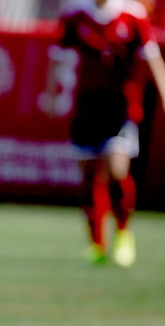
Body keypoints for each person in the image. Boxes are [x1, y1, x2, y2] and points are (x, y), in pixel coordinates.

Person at [42, 0, 165, 267]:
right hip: (86, 110)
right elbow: (57, 55)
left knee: (117, 169)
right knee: (89, 176)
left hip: (120, 110)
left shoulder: (132, 15)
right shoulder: (75, 14)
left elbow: (152, 56)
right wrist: (51, 94)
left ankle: (123, 231)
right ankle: (97, 243)